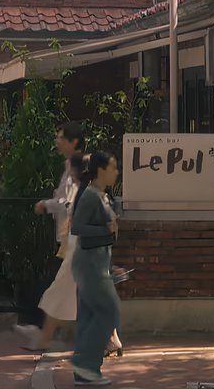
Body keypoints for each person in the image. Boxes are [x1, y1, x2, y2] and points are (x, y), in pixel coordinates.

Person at [18, 121, 87, 351]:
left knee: (60, 288)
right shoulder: (74, 166)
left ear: (73, 141)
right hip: (74, 239)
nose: (57, 142)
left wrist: (46, 205)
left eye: (61, 138)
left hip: (75, 239)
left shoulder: (78, 168)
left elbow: (67, 201)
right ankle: (108, 338)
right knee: (80, 290)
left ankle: (41, 334)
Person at [69, 150, 121, 387]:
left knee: (91, 317)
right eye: (113, 168)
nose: (117, 172)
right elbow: (77, 227)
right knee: (107, 313)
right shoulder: (91, 195)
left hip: (97, 264)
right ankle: (86, 368)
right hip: (89, 265)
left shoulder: (102, 196)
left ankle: (85, 372)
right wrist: (106, 231)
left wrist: (111, 266)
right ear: (101, 170)